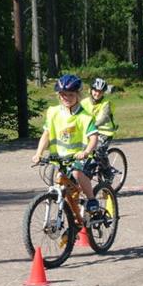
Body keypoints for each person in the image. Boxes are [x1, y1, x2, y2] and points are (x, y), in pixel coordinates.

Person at [32, 74, 100, 212]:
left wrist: (86, 152)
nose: (66, 98)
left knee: (76, 173)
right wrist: (38, 153)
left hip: (80, 158)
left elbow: (94, 138)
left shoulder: (84, 117)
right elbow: (47, 134)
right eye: (63, 95)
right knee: (61, 181)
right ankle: (71, 217)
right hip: (61, 158)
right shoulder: (53, 113)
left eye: (70, 94)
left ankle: (92, 199)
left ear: (78, 95)